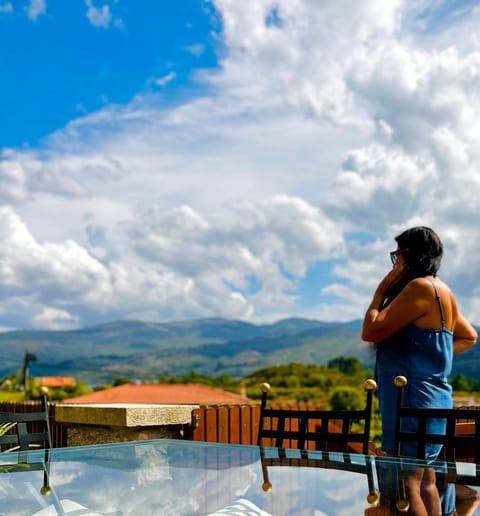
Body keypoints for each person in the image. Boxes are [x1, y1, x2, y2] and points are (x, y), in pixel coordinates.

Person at [361, 226, 478, 515]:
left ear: (409, 255)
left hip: (411, 397)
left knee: (407, 483)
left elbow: (371, 330)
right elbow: (469, 337)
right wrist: (426, 358)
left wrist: (381, 291)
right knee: (427, 482)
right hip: (434, 396)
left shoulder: (419, 288)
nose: (395, 263)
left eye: (397, 255)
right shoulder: (443, 290)